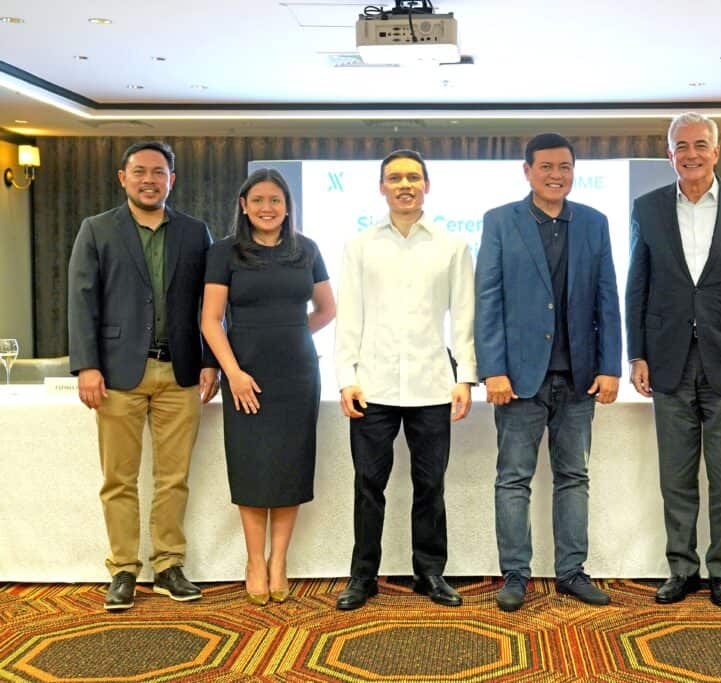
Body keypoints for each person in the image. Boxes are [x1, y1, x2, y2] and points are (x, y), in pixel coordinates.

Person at [624, 112, 721, 608]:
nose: (690, 154)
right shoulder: (647, 208)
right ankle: (680, 568)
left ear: (716, 151)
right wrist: (637, 354)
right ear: (669, 154)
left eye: (700, 145)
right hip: (668, 362)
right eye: (680, 146)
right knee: (676, 476)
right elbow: (637, 286)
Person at [68, 141, 219, 611]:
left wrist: (211, 360)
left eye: (159, 172)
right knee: (119, 478)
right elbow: (81, 300)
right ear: (123, 178)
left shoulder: (196, 233)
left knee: (173, 478)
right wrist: (87, 365)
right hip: (116, 374)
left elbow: (211, 303)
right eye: (140, 172)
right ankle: (123, 570)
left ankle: (169, 564)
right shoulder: (97, 229)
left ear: (172, 179)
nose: (149, 179)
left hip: (181, 372)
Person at [475, 132, 622, 612]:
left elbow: (607, 298)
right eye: (546, 167)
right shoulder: (500, 221)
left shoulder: (595, 223)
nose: (556, 175)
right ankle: (515, 574)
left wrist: (610, 366)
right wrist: (492, 369)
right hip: (517, 379)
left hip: (579, 378)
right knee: (513, 479)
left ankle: (571, 572)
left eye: (565, 167)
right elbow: (488, 300)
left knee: (573, 476)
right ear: (527, 171)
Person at [333, 149, 476, 610]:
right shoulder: (359, 246)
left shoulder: (452, 246)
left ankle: (430, 573)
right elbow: (349, 315)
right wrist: (345, 377)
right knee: (367, 485)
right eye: (394, 178)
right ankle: (363, 577)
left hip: (433, 384)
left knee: (430, 485)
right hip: (371, 387)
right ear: (381, 188)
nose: (404, 185)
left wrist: (465, 378)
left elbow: (465, 318)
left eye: (413, 177)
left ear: (427, 186)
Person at [200, 168, 335, 606]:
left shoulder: (307, 250)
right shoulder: (224, 253)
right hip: (246, 375)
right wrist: (232, 372)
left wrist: (293, 335)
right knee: (253, 468)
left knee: (290, 468)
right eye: (257, 199)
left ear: (287, 206)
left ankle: (280, 562)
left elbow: (326, 310)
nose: (266, 208)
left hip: (297, 374)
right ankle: (255, 561)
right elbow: (210, 320)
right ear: (243, 204)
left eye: (275, 200)